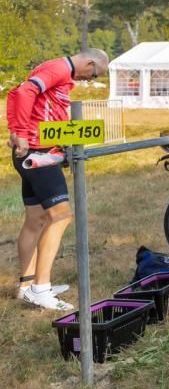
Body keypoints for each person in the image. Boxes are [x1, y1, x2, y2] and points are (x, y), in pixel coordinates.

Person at [8, 48, 109, 311]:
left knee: (36, 220)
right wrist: (19, 131)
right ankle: (42, 289)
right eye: (94, 74)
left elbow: (25, 97)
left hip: (36, 151)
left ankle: (26, 286)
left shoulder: (58, 71)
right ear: (88, 62)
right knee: (61, 216)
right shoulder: (58, 69)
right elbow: (25, 92)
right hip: (39, 154)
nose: (89, 80)